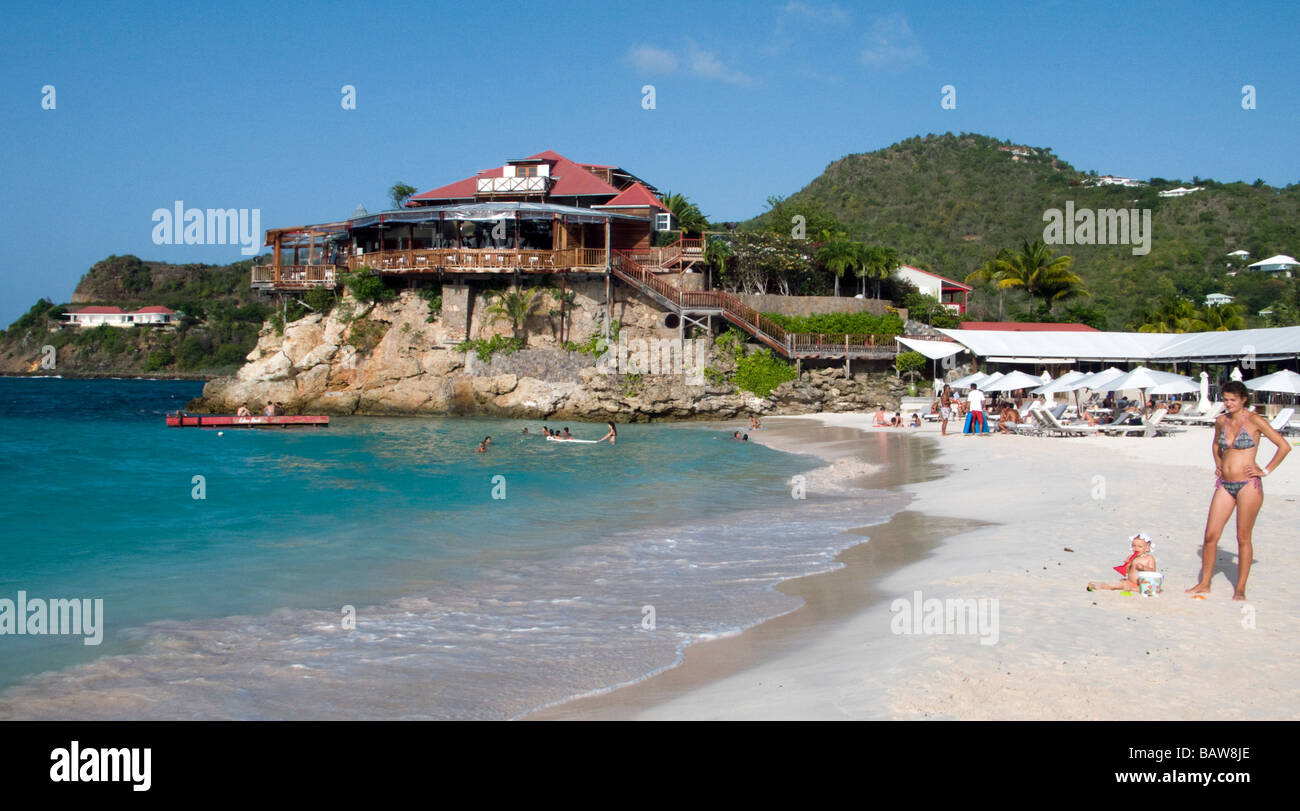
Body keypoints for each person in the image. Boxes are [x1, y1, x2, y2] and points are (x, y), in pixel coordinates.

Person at [1188, 380, 1290, 600]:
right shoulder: (1221, 421)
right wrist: (1218, 464)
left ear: (1243, 400)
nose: (1228, 403)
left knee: (1243, 537)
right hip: (1224, 484)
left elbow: (1284, 446)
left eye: (1232, 400)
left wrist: (1266, 470)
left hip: (1248, 485)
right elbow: (1216, 445)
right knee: (1210, 536)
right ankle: (1204, 583)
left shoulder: (1254, 421)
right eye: (1225, 399)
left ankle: (1240, 588)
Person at [1088, 533, 1157, 591]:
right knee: (1118, 584)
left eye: (1140, 546)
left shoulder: (1149, 558)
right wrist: (1127, 565)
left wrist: (1143, 568)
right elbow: (1127, 572)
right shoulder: (1131, 557)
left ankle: (1102, 586)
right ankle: (1101, 585)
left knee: (1123, 586)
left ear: (1147, 548)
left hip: (1143, 584)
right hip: (1130, 582)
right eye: (1134, 546)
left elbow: (1153, 571)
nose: (1136, 548)